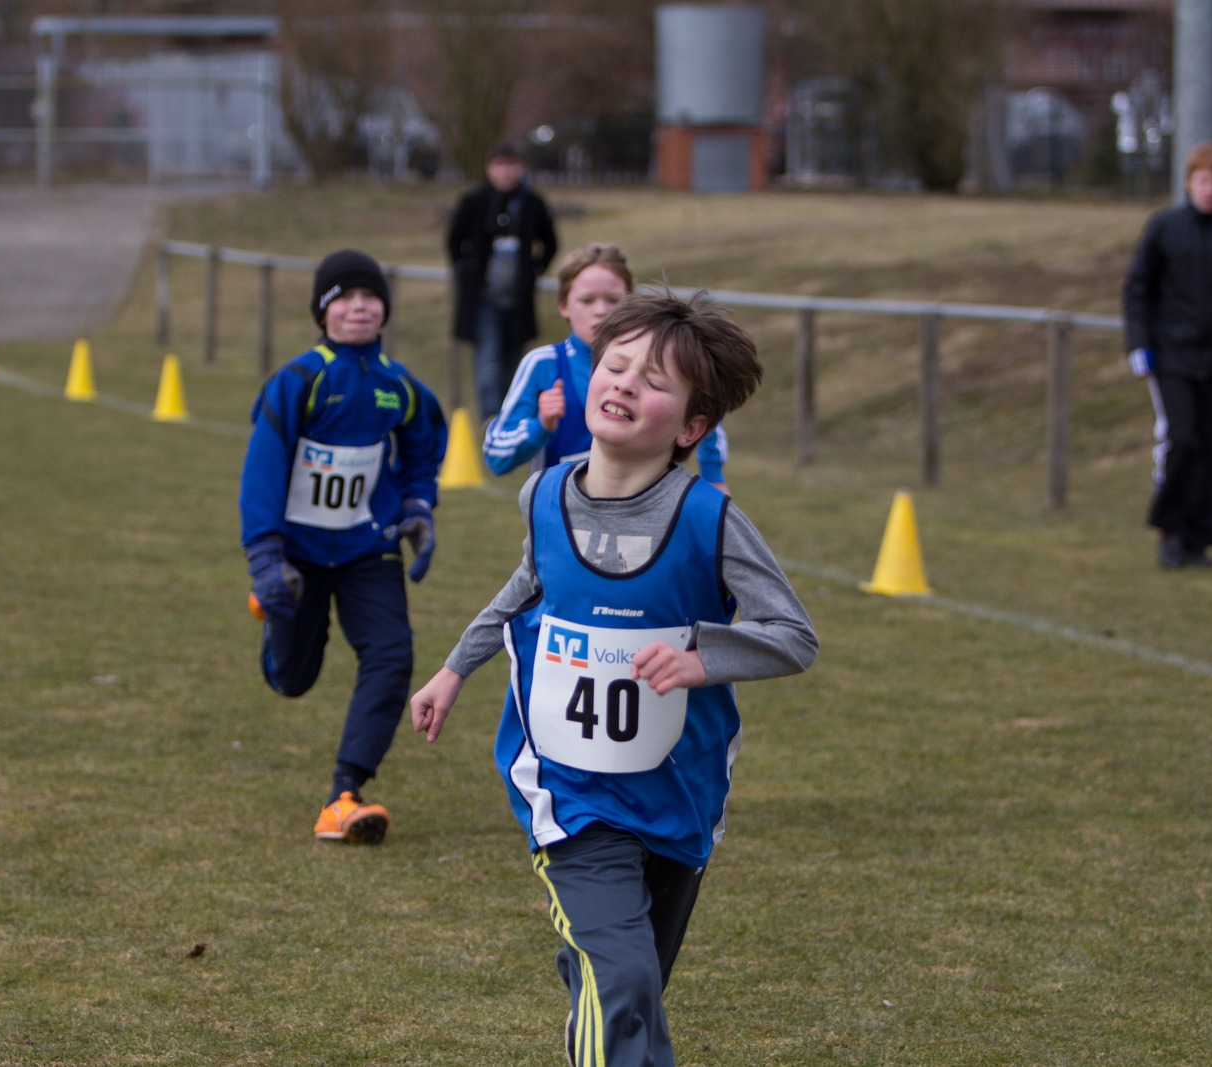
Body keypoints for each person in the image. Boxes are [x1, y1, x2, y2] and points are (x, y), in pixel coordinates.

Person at [410, 291, 818, 1065]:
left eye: (655, 380)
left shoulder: (709, 520)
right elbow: (527, 587)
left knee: (630, 982)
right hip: (568, 789)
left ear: (693, 426)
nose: (626, 382)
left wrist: (700, 657)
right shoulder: (544, 495)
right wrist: (454, 668)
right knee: (622, 978)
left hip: (678, 792)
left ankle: (597, 999)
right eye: (616, 364)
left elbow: (794, 636)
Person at [239, 248, 448, 844]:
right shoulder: (299, 381)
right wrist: (265, 557)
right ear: (323, 311)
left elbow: (425, 442)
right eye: (345, 298)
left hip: (367, 549)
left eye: (371, 296)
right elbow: (262, 472)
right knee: (292, 679)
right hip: (298, 557)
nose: (360, 307)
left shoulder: (399, 386)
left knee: (392, 655)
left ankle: (345, 794)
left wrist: (417, 506)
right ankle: (273, 616)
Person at [1123, 140, 1212, 570]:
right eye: (1204, 180)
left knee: (1209, 449)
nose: (1210, 189)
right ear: (1189, 182)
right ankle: (1168, 530)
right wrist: (1139, 344)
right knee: (1181, 439)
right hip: (1172, 357)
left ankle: (1198, 538)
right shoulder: (1164, 228)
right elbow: (1137, 290)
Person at [483, 242, 730, 491]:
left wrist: (713, 475)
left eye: (613, 299)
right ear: (564, 305)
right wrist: (541, 426)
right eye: (587, 300)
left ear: (630, 303)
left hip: (643, 509)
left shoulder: (659, 357)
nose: (601, 311)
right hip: (561, 512)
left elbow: (702, 407)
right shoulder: (543, 364)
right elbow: (495, 457)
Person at [446, 139, 559, 422]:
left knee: (514, 362)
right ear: (489, 168)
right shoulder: (473, 202)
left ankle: (512, 417)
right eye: (500, 165)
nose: (506, 172)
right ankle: (491, 419)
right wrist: (465, 271)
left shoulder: (532, 203)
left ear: (521, 168)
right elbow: (454, 240)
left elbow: (550, 242)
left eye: (511, 165)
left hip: (518, 301)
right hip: (484, 300)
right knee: (488, 359)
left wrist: (535, 270)